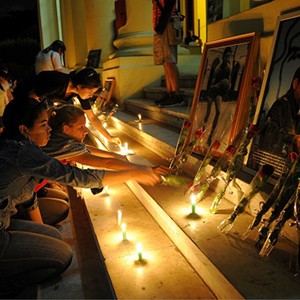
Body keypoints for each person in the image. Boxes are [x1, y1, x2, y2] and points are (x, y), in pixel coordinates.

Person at [0, 97, 166, 298]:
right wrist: (134, 172)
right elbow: (77, 177)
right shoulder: (22, 152)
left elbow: (86, 154)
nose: (49, 129)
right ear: (24, 130)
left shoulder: (25, 147)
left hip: (6, 218)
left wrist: (134, 167)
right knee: (62, 256)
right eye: (43, 125)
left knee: (52, 236)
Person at [14, 67, 121, 146]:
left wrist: (109, 137)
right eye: (90, 91)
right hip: (23, 99)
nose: (91, 95)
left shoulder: (78, 92)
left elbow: (92, 117)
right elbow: (31, 98)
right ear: (79, 86)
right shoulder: (59, 83)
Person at [258, 67, 300, 155]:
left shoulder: (296, 113)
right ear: (295, 83)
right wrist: (294, 139)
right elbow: (269, 141)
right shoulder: (281, 106)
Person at [152, 0, 184, 107]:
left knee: (170, 59)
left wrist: (161, 23)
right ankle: (170, 92)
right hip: (161, 25)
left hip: (167, 23)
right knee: (165, 61)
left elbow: (168, 6)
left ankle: (176, 94)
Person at [203, 46, 232, 145]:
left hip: (219, 91)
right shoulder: (218, 67)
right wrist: (210, 90)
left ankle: (210, 136)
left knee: (218, 112)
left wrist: (226, 93)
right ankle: (202, 131)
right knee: (208, 112)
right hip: (213, 90)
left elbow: (229, 82)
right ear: (224, 56)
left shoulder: (228, 68)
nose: (227, 58)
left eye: (229, 56)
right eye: (226, 56)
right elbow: (213, 79)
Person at [0, 66, 13, 131]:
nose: (5, 78)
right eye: (3, 75)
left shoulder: (6, 84)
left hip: (6, 110)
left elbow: (9, 95)